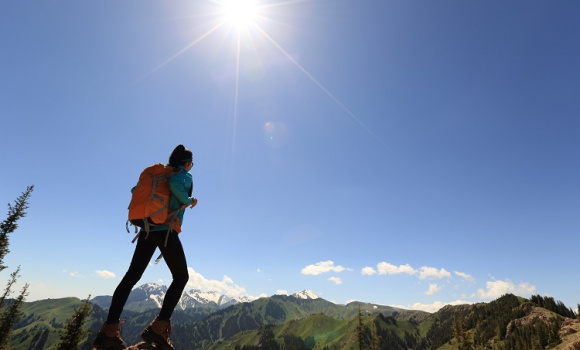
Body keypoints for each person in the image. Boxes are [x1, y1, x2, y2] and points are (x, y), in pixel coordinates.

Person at [92, 144, 197, 350]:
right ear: (186, 163)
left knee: (131, 276)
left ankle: (109, 331)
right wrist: (189, 199)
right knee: (181, 276)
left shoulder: (159, 175)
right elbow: (177, 184)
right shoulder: (183, 175)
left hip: (148, 229)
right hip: (165, 230)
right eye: (191, 163)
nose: (191, 166)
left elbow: (135, 190)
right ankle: (159, 327)